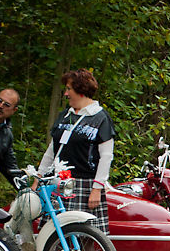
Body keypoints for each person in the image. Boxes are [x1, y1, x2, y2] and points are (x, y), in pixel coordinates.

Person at [37, 69, 115, 233]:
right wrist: (38, 177)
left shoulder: (101, 117)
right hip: (58, 183)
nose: (66, 93)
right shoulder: (65, 115)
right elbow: (52, 151)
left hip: (85, 186)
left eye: (69, 89)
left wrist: (97, 188)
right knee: (52, 234)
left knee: (85, 235)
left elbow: (106, 156)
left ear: (81, 90)